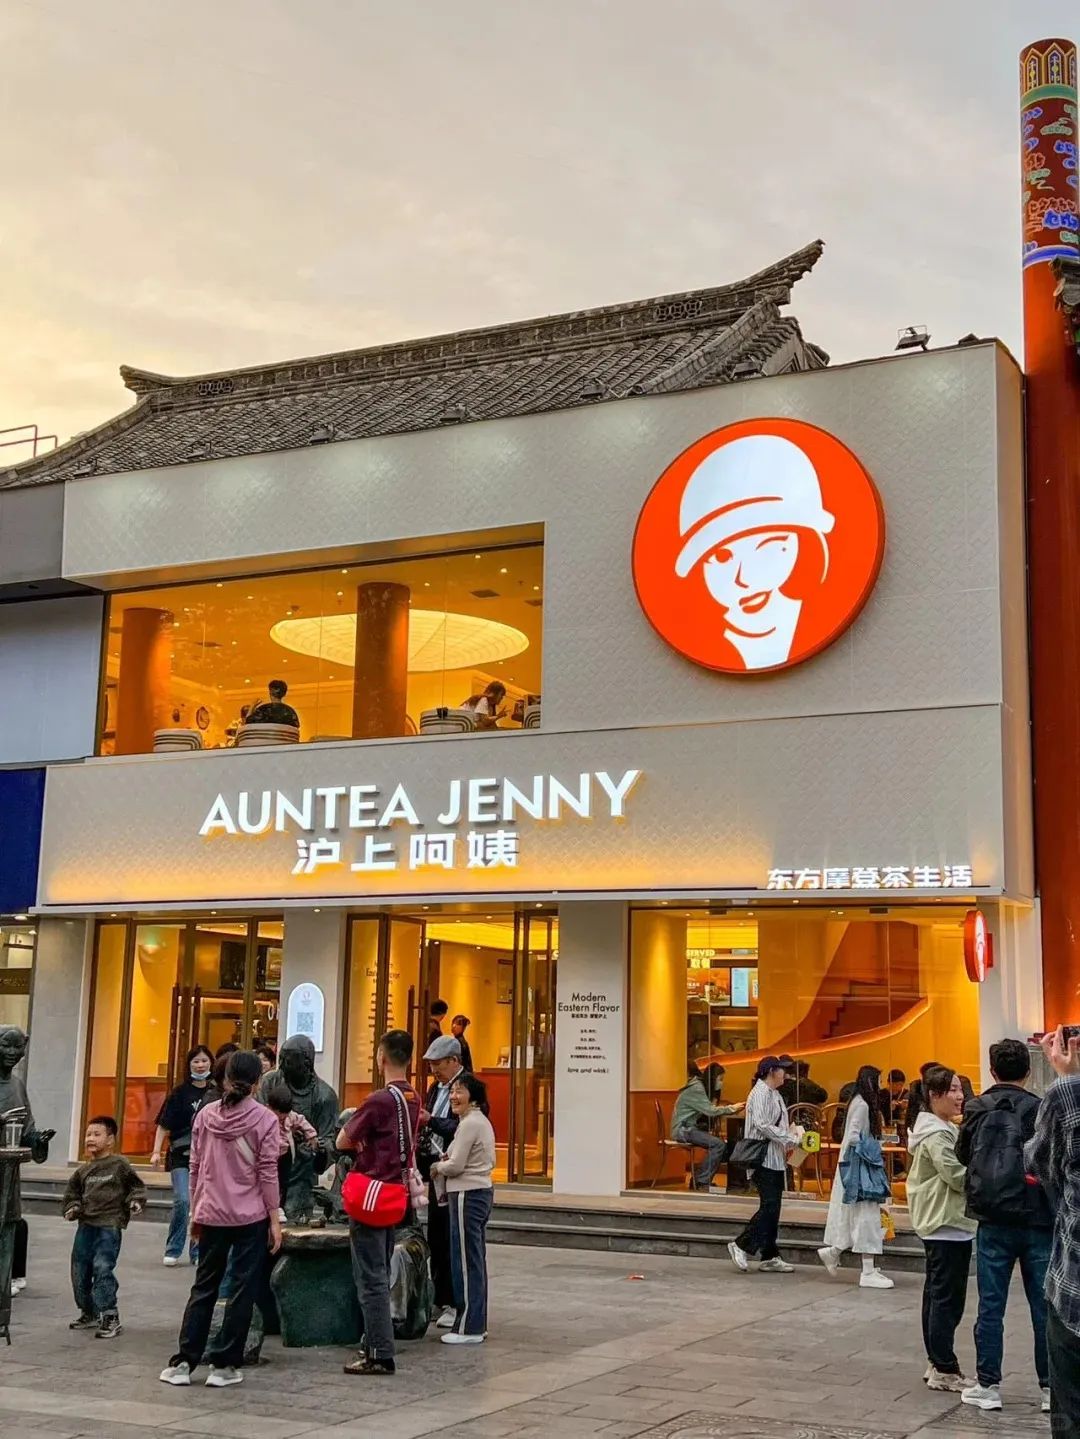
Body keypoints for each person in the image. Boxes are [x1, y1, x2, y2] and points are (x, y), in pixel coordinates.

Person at [159, 1051, 282, 1389]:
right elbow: (267, 1173)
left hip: (212, 1212)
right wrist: (274, 1218)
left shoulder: (206, 1116)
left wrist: (196, 1210)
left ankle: (184, 1361)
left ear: (225, 1078)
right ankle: (224, 1365)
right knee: (242, 1289)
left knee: (204, 1286)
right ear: (257, 1082)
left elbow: (195, 1167)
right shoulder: (265, 1120)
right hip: (250, 1216)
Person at [957, 1038, 1053, 1413]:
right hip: (1036, 1216)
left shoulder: (976, 1107)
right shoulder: (1039, 1108)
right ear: (1028, 1071)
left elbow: (963, 1154)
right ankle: (1050, 1388)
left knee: (990, 1305)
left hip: (992, 1217)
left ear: (992, 1070)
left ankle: (988, 1384)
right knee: (1044, 1307)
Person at [337, 1029, 421, 1377]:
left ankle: (379, 1352)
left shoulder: (379, 1100)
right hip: (393, 1194)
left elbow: (343, 1140)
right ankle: (375, 1341)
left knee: (370, 1277)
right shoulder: (413, 1097)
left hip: (371, 1191)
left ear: (380, 1057)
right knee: (381, 1270)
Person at [1025, 1026, 1080, 1433]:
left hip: (1073, 1286)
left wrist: (1065, 1077)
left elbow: (1038, 1162)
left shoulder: (1067, 1094)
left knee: (1070, 1413)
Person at [907, 1066, 974, 1392]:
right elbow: (956, 1176)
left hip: (943, 1222)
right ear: (934, 1095)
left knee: (937, 1296)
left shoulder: (940, 1128)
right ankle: (944, 1368)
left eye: (960, 1089)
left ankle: (936, 1361)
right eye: (953, 1090)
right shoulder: (936, 1135)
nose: (960, 1096)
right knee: (947, 1299)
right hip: (946, 1222)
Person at [63, 1115, 145, 1339]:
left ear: (110, 1140)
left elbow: (136, 1187)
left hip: (109, 1225)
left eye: (96, 1134)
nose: (90, 1138)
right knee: (79, 1270)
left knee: (102, 1267)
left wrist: (135, 1201)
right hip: (86, 1225)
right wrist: (73, 1208)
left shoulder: (120, 1165)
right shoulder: (82, 1171)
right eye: (88, 1134)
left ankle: (110, 1315)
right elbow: (72, 1194)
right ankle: (88, 1311)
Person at [431, 1072, 496, 1345]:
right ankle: (474, 1321)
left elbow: (456, 1165)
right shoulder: (475, 1122)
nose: (453, 1097)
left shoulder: (470, 1123)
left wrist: (438, 1166)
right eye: (452, 1092)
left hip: (467, 1194)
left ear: (474, 1097)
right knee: (473, 1259)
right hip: (478, 1192)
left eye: (459, 1091)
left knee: (466, 1261)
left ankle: (469, 1327)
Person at [819, 1064, 893, 1288]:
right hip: (861, 1166)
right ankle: (866, 1269)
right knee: (866, 1214)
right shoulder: (862, 1105)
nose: (881, 1085)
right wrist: (872, 1149)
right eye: (879, 1080)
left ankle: (835, 1252)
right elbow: (853, 1136)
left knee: (858, 1214)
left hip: (857, 1164)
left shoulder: (858, 1102)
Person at [728, 1056, 798, 1274]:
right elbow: (762, 1124)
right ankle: (741, 1244)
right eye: (782, 1070)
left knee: (773, 1207)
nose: (785, 1074)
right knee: (770, 1206)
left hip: (775, 1158)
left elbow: (779, 1124)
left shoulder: (774, 1094)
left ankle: (770, 1255)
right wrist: (789, 1137)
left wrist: (790, 1137)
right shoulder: (759, 1093)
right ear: (771, 1071)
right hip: (762, 1158)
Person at [152, 1044, 214, 1267]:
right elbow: (163, 1124)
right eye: (196, 1061)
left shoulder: (215, 1093)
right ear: (189, 1065)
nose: (200, 1065)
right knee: (182, 1200)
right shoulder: (179, 1093)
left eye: (204, 1061)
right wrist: (156, 1152)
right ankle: (173, 1248)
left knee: (201, 1204)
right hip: (181, 1154)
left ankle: (197, 1251)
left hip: (207, 1157)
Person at [421, 1035, 466, 1327]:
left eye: (439, 1064)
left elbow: (461, 1125)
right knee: (436, 1236)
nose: (435, 1070)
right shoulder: (434, 1088)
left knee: (452, 1238)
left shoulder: (466, 1088)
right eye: (431, 1064)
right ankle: (438, 1297)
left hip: (456, 1173)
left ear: (454, 1061)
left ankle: (454, 1300)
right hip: (436, 1170)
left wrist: (431, 1121)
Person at [671, 1061, 744, 1192]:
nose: (721, 1083)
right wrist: (732, 1108)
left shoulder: (699, 1086)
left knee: (723, 1147)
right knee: (719, 1145)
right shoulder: (697, 1088)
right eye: (720, 1079)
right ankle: (701, 1181)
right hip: (683, 1129)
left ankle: (700, 1178)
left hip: (689, 1128)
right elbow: (710, 1111)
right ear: (713, 1078)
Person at [263, 1080, 318, 1221]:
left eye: (285, 1114)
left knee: (284, 1182)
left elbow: (302, 1121)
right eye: (279, 1113)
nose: (282, 1117)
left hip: (286, 1155)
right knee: (271, 1181)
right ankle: (270, 1207)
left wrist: (311, 1136)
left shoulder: (291, 1116)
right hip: (270, 1156)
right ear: (269, 1107)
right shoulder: (264, 1117)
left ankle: (280, 1206)